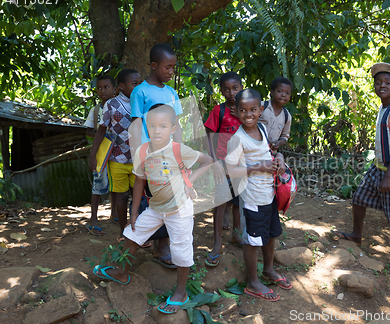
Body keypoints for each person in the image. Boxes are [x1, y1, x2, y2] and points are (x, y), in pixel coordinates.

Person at [93, 104, 214, 314]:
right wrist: (135, 211)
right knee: (132, 234)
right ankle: (123, 273)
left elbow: (208, 160)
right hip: (156, 208)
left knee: (181, 250)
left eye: (163, 126)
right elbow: (139, 181)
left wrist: (190, 181)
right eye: (152, 126)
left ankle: (181, 292)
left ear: (173, 128)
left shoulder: (179, 150)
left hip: (179, 210)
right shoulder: (143, 150)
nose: (157, 131)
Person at [331, 63, 390, 271]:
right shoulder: (383, 108)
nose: (382, 85)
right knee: (359, 198)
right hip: (378, 166)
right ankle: (356, 234)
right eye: (378, 82)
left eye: (387, 82)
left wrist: (388, 176)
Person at [225, 89, 291, 302]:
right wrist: (258, 167)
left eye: (253, 109)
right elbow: (231, 171)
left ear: (261, 110)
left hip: (268, 195)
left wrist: (279, 158)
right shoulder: (237, 139)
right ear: (236, 111)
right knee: (252, 241)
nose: (248, 114)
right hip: (252, 198)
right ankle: (253, 282)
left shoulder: (262, 128)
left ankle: (268, 270)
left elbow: (271, 152)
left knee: (271, 235)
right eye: (243, 110)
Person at [129, 43, 183, 266]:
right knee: (152, 199)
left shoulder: (171, 92)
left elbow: (177, 125)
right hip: (149, 155)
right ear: (153, 66)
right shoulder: (140, 92)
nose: (171, 72)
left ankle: (163, 247)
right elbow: (136, 124)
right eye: (167, 67)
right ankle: (147, 241)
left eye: (173, 68)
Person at [89, 69, 141, 242]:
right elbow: (102, 130)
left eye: (139, 83)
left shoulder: (142, 102)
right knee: (122, 196)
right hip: (117, 159)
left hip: (137, 160)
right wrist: (93, 154)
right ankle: (123, 231)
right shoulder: (111, 105)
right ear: (121, 86)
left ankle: (138, 230)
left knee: (138, 196)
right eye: (134, 84)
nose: (138, 87)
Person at [204, 71, 243, 266]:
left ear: (241, 88)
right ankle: (217, 243)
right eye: (227, 89)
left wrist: (242, 116)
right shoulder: (218, 111)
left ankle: (237, 235)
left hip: (242, 166)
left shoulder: (247, 110)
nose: (232, 93)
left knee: (238, 203)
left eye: (235, 88)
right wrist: (213, 161)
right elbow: (209, 135)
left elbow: (256, 132)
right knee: (220, 204)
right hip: (222, 164)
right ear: (221, 91)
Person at [84, 75, 116, 236]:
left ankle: (115, 213)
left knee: (116, 183)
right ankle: (93, 218)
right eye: (99, 88)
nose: (102, 91)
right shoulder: (96, 110)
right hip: (101, 151)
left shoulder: (120, 107)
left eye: (106, 87)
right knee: (98, 182)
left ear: (115, 89)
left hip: (118, 152)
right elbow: (88, 131)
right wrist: (99, 134)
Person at [259, 77, 292, 152]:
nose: (283, 95)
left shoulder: (287, 116)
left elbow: (285, 137)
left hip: (270, 153)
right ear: (272, 92)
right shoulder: (261, 106)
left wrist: (278, 143)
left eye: (287, 93)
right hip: (253, 149)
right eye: (280, 91)